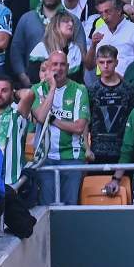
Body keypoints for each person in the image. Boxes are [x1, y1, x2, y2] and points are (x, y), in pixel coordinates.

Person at [32, 51, 90, 206]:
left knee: (70, 208)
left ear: (68, 67)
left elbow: (79, 127)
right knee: (46, 208)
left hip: (72, 157)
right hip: (45, 158)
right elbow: (41, 117)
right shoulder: (37, 90)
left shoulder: (79, 90)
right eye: (54, 64)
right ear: (48, 67)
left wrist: (52, 119)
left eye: (63, 64)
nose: (59, 68)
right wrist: (52, 89)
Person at [82, 0, 134, 76]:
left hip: (128, 83)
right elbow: (89, 66)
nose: (104, 17)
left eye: (107, 12)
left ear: (119, 10)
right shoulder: (99, 31)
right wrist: (93, 45)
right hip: (104, 84)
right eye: (101, 13)